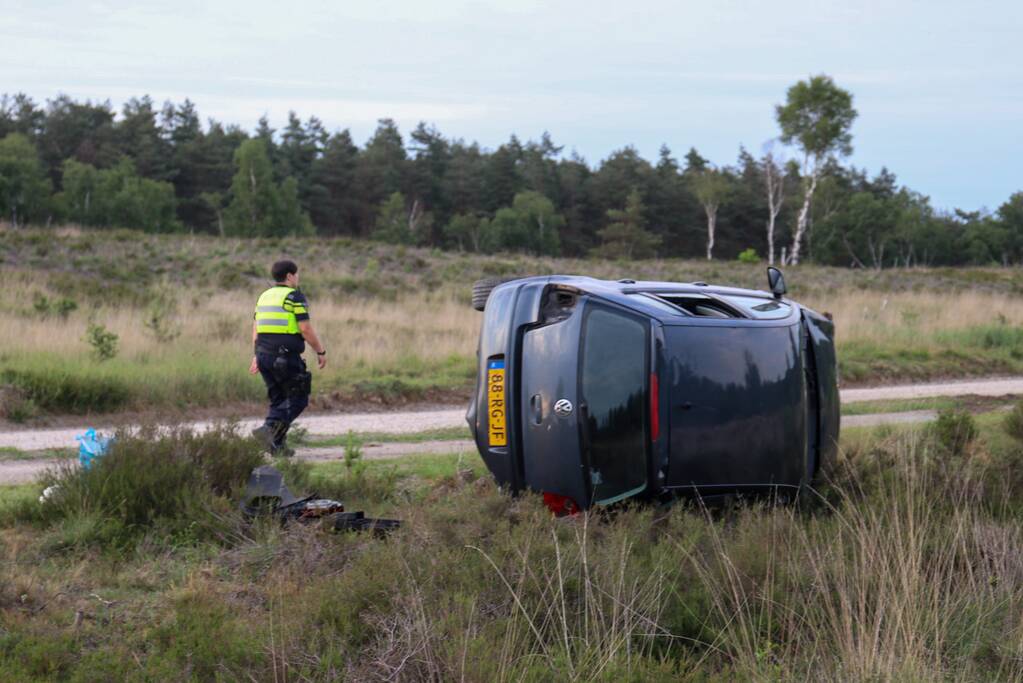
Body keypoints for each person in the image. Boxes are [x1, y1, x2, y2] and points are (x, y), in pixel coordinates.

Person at [249, 259, 326, 456]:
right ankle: (268, 429)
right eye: (297, 274)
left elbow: (256, 328)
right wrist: (320, 351)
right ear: (290, 276)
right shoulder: (294, 297)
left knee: (278, 400)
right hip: (284, 358)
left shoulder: (264, 297)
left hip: (264, 356)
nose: (298, 278)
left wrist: (255, 356)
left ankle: (278, 447)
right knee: (298, 399)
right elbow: (305, 328)